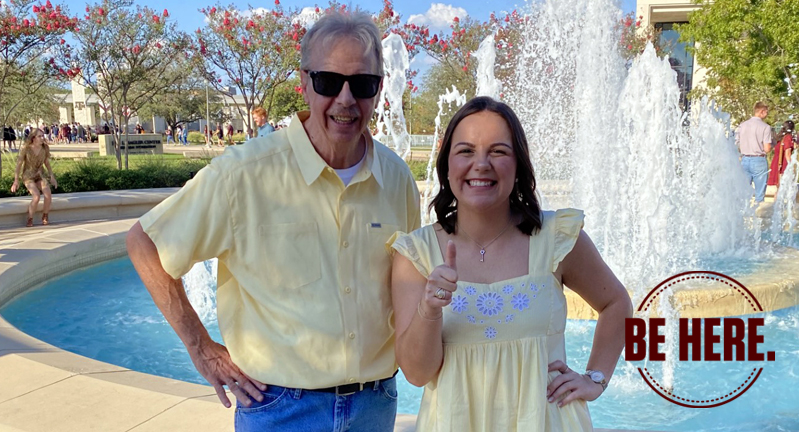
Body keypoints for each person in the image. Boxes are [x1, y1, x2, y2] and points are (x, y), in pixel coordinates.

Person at [125, 10, 420, 432]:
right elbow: (145, 243)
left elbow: (412, 294)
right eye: (328, 82)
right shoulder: (243, 175)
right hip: (280, 410)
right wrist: (201, 348)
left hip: (375, 404)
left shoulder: (398, 180)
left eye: (362, 84)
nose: (345, 99)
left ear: (379, 89)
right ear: (304, 83)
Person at [390, 97, 632, 432]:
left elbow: (617, 303)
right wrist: (429, 308)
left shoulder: (558, 239)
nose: (482, 164)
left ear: (518, 164)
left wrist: (595, 379)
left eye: (499, 151)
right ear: (447, 165)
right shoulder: (416, 253)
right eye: (466, 151)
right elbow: (417, 375)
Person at [11, 128, 57, 227]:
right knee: (36, 196)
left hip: (40, 174)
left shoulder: (44, 148)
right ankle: (30, 218)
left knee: (48, 194)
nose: (42, 138)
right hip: (28, 175)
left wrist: (52, 176)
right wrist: (16, 181)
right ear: (33, 138)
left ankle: (45, 215)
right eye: (39, 136)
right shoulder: (26, 149)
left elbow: (47, 163)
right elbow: (19, 164)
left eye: (42, 136)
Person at [736, 101, 773, 204]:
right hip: (759, 160)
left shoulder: (742, 125)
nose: (767, 114)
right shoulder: (765, 127)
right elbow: (767, 148)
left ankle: (742, 216)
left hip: (744, 159)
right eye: (766, 112)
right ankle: (759, 217)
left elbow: (737, 143)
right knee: (759, 195)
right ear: (762, 111)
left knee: (743, 192)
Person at [767, 120, 794, 190]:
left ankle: (777, 200)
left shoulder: (780, 137)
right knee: (783, 188)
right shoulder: (788, 137)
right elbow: (787, 153)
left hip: (777, 162)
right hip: (783, 163)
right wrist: (791, 165)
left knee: (779, 189)